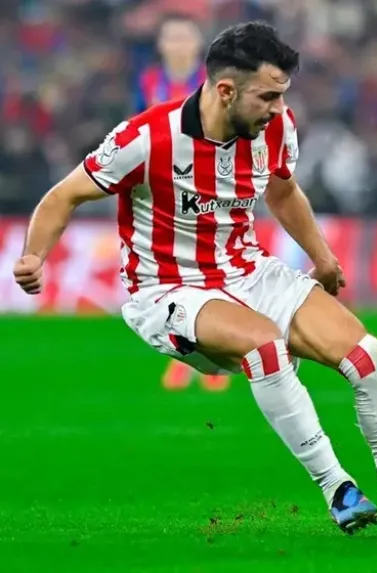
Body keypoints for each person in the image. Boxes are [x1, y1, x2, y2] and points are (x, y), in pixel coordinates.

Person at [12, 21, 377, 538]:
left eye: (282, 95)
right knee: (265, 347)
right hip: (168, 288)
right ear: (226, 90)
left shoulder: (274, 127)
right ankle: (337, 487)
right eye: (268, 96)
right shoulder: (147, 138)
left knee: (370, 359)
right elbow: (65, 194)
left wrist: (322, 257)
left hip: (249, 271)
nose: (279, 108)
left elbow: (283, 191)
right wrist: (34, 256)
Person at [136, 14, 223, 392]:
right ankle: (182, 355)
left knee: (210, 268)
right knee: (170, 271)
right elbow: (139, 127)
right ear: (160, 44)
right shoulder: (149, 81)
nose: (178, 44)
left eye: (184, 37)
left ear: (198, 43)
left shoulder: (212, 82)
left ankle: (216, 354)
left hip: (208, 184)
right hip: (163, 186)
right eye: (171, 37)